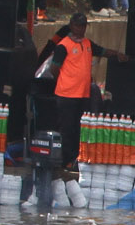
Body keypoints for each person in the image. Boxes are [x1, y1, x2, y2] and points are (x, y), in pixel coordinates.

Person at [34, 12, 122, 173]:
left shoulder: (87, 43)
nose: (81, 29)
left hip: (82, 94)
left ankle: (75, 159)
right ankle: (66, 161)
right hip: (66, 95)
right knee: (67, 129)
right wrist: (67, 80)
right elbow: (54, 69)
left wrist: (117, 54)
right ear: (72, 26)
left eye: (83, 26)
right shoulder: (64, 45)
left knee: (78, 128)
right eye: (78, 26)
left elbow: (102, 51)